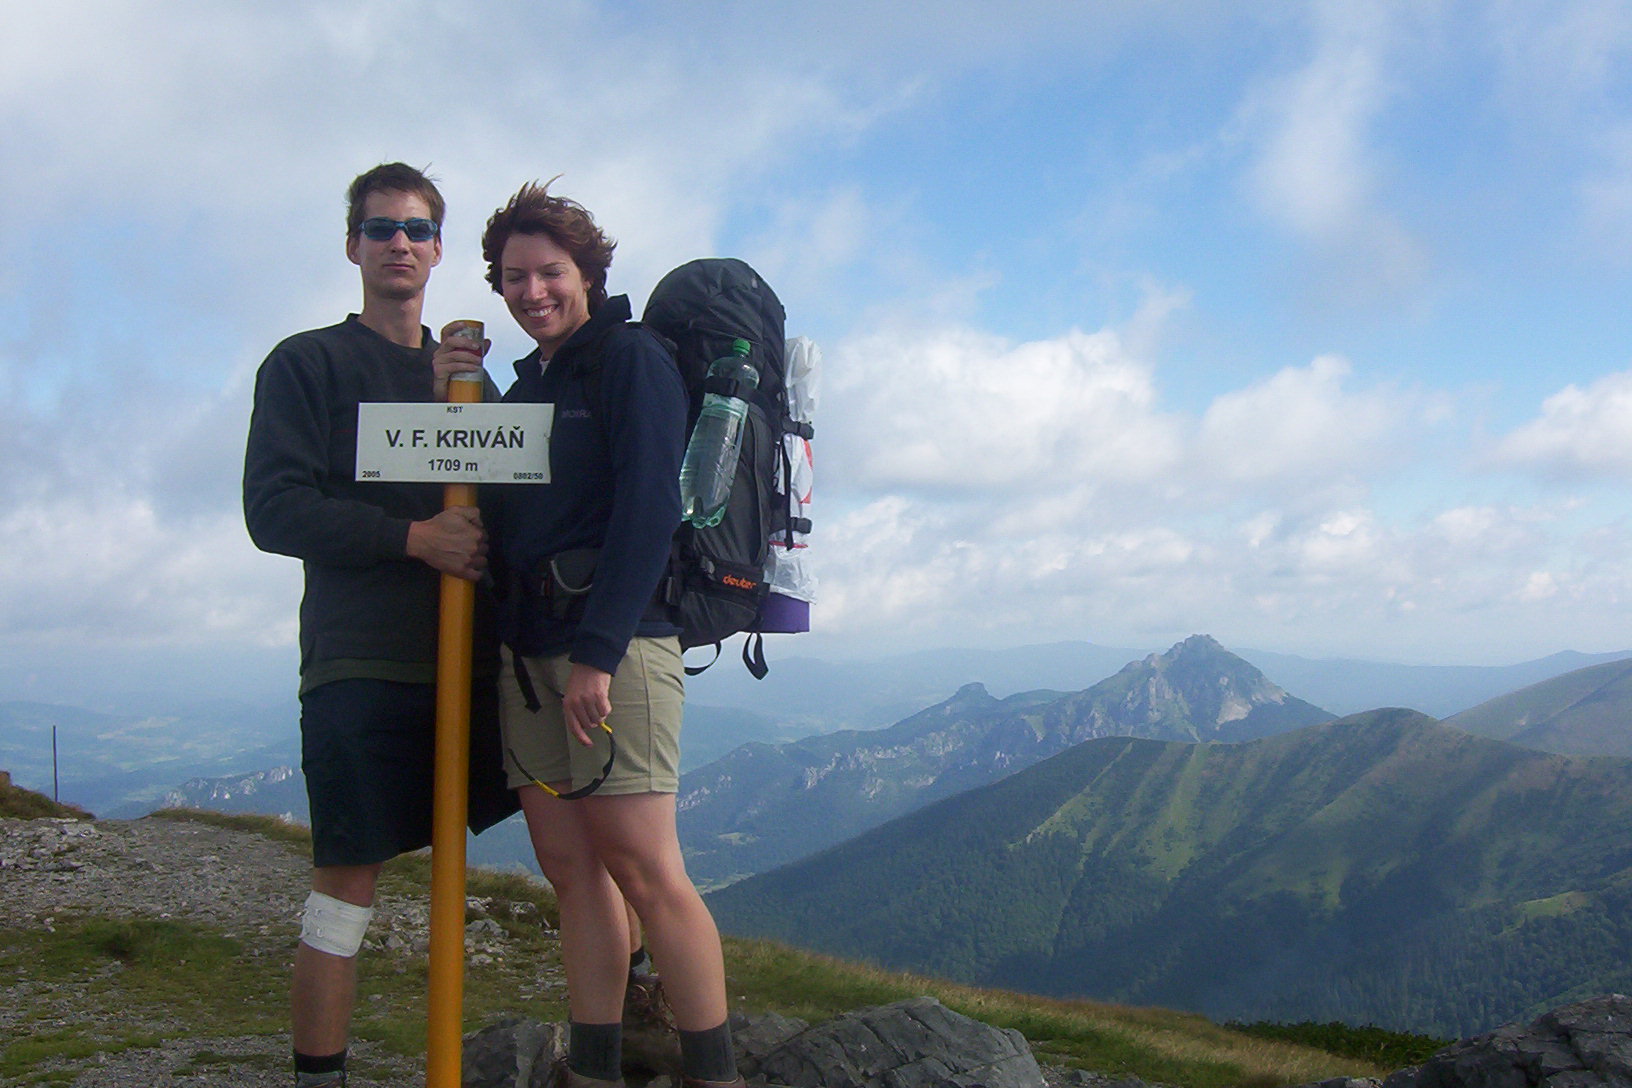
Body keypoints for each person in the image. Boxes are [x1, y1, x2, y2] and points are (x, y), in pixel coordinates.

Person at [243, 162, 518, 1088]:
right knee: (344, 893)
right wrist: (412, 537)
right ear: (352, 245)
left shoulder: (473, 384)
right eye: (378, 228)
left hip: (483, 666)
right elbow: (273, 510)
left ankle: (624, 1024)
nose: (397, 242)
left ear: (439, 249)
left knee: (587, 846)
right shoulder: (306, 364)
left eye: (414, 228)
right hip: (361, 664)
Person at [461, 179, 741, 1088]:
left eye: (550, 272)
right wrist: (454, 394)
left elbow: (651, 507)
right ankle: (594, 1067)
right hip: (531, 656)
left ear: (587, 270)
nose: (532, 291)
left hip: (611, 652)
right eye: (513, 277)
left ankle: (715, 1074)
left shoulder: (631, 360)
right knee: (570, 869)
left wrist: (599, 653)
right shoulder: (527, 386)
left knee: (644, 867)